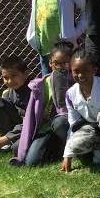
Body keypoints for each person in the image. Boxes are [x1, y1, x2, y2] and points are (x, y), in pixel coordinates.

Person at [10, 39, 75, 167]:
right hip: (46, 128)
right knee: (30, 161)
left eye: (66, 63)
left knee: (60, 122)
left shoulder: (76, 82)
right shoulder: (39, 85)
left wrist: (62, 83)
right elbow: (30, 118)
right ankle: (57, 150)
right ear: (50, 63)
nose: (61, 67)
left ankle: (75, 151)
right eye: (56, 63)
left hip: (67, 126)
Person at [25, 0, 85, 75]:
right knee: (49, 82)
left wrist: (75, 33)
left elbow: (86, 11)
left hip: (66, 49)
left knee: (69, 81)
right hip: (45, 49)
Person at [0, 56, 31, 154]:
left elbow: (31, 122)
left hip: (31, 129)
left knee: (17, 148)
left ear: (26, 74)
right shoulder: (7, 93)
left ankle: (11, 141)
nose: (10, 81)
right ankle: (7, 142)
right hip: (15, 130)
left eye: (14, 76)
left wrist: (8, 137)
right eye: (6, 78)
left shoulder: (34, 92)